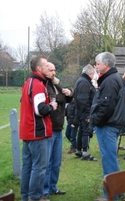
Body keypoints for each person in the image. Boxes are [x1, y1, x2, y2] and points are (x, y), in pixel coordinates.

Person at [20, 56, 57, 201]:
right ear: (39, 69)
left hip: (27, 131)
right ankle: (34, 197)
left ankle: (26, 196)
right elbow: (40, 109)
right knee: (39, 167)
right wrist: (51, 106)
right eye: (47, 66)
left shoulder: (28, 82)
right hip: (36, 132)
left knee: (28, 167)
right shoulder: (37, 84)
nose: (49, 68)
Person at [91, 52, 125, 201]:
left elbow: (106, 106)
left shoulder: (110, 81)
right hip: (114, 123)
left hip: (108, 125)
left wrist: (96, 120)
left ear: (106, 65)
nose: (96, 66)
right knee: (111, 158)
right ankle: (118, 192)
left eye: (98, 63)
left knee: (108, 159)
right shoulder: (115, 78)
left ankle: (110, 195)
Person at [43, 62, 72, 197]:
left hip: (59, 127)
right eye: (50, 70)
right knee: (47, 162)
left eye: (54, 70)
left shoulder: (55, 83)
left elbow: (68, 97)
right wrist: (63, 94)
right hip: (49, 128)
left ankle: (53, 186)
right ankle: (45, 190)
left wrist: (68, 91)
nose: (53, 73)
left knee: (56, 161)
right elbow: (56, 98)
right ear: (44, 70)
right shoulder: (44, 84)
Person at [73, 64, 97, 161]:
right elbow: (83, 100)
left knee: (82, 130)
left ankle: (79, 150)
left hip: (81, 111)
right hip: (85, 111)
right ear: (90, 73)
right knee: (86, 131)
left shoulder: (81, 80)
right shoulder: (84, 83)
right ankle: (85, 152)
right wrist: (87, 114)